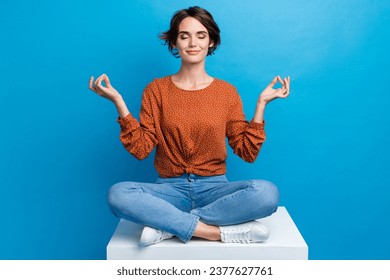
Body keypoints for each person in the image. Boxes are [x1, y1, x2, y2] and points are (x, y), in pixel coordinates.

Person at [89, 6, 290, 246]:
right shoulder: (157, 90)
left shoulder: (226, 92)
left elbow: (247, 152)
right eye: (184, 36)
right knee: (118, 195)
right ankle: (214, 232)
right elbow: (141, 149)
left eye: (201, 35)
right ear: (174, 42)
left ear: (211, 42)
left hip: (215, 191)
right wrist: (119, 103)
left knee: (267, 194)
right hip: (168, 192)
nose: (192, 42)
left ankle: (170, 226)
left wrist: (261, 105)